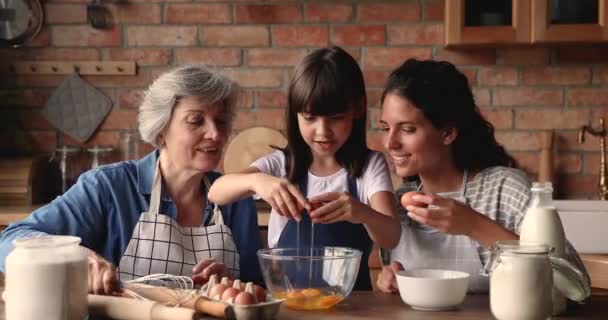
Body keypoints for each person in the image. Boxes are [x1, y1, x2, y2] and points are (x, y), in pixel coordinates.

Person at [0, 65, 262, 295]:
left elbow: (257, 289)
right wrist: (73, 255)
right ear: (161, 131)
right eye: (196, 121)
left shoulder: (236, 201)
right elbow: (9, 240)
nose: (215, 134)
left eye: (221, 121)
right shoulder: (108, 188)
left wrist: (232, 284)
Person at [375, 58, 590, 293]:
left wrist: (474, 225)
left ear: (447, 133)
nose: (390, 143)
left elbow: (576, 286)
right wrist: (392, 280)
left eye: (407, 129)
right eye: (386, 128)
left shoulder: (505, 189)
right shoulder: (398, 204)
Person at [208, 46, 401, 291]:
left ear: (358, 109)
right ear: (295, 114)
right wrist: (257, 181)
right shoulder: (280, 164)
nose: (322, 131)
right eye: (310, 118)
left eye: (336, 117)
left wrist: (361, 212)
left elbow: (391, 236)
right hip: (287, 303)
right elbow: (215, 191)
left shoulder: (369, 166)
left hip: (352, 305)